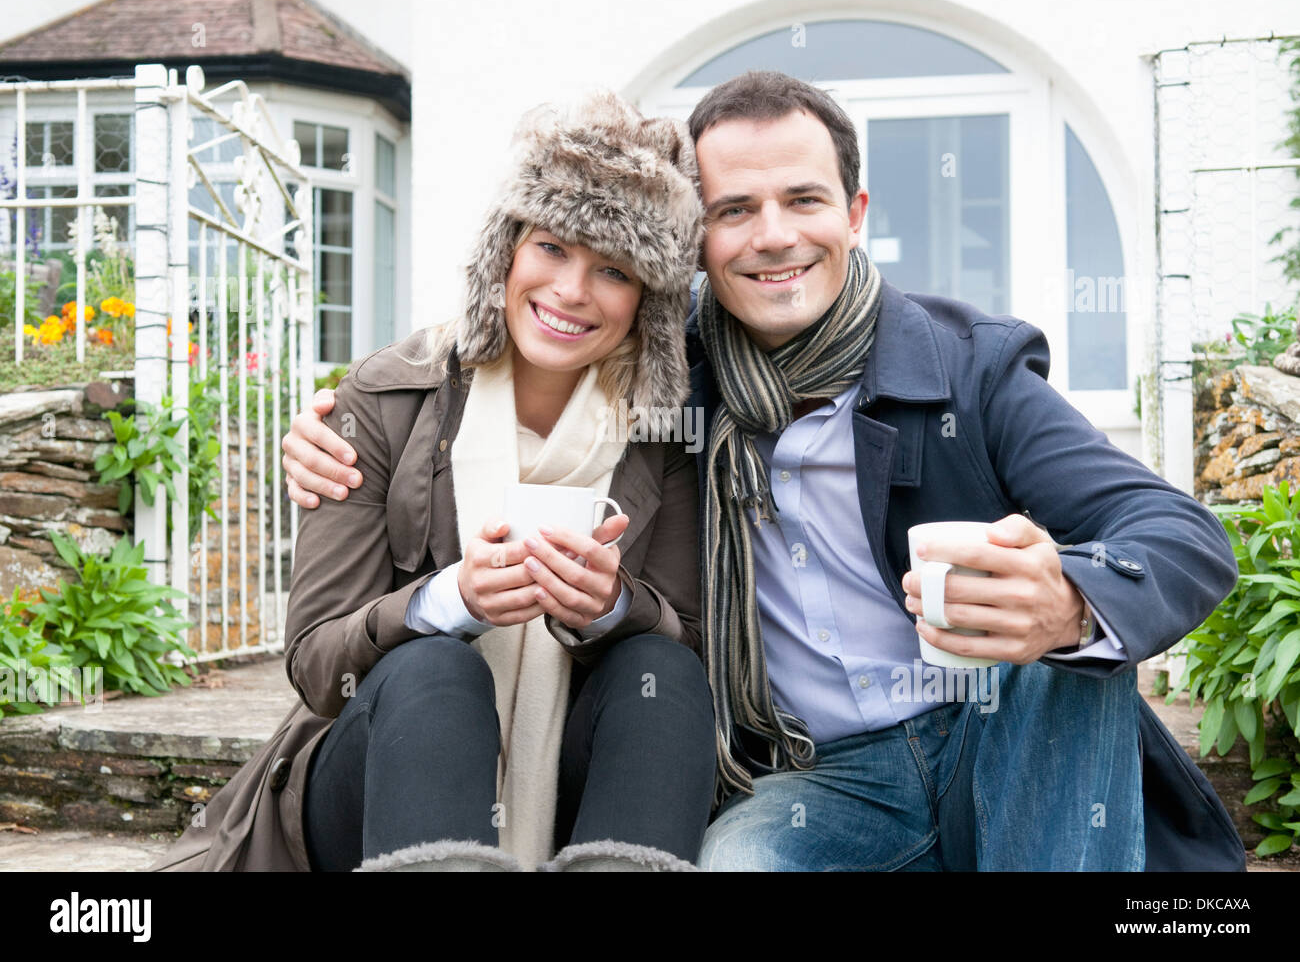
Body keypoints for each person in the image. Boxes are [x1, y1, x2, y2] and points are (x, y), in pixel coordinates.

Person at [281, 71, 1243, 871]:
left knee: (1058, 660)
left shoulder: (968, 369)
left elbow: (1183, 538)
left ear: (856, 212)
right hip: (820, 775)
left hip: (994, 724)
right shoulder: (659, 377)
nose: (773, 235)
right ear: (693, 243)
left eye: (804, 200)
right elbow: (503, 349)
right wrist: (336, 427)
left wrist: (1068, 602)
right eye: (734, 209)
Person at [150, 91, 716, 872]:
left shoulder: (668, 431)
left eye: (613, 269)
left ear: (646, 300)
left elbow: (693, 637)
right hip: (369, 780)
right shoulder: (384, 398)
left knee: (662, 672)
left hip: (576, 787)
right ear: (507, 250)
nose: (572, 291)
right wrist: (450, 601)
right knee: (433, 663)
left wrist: (612, 608)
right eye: (552, 247)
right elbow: (319, 664)